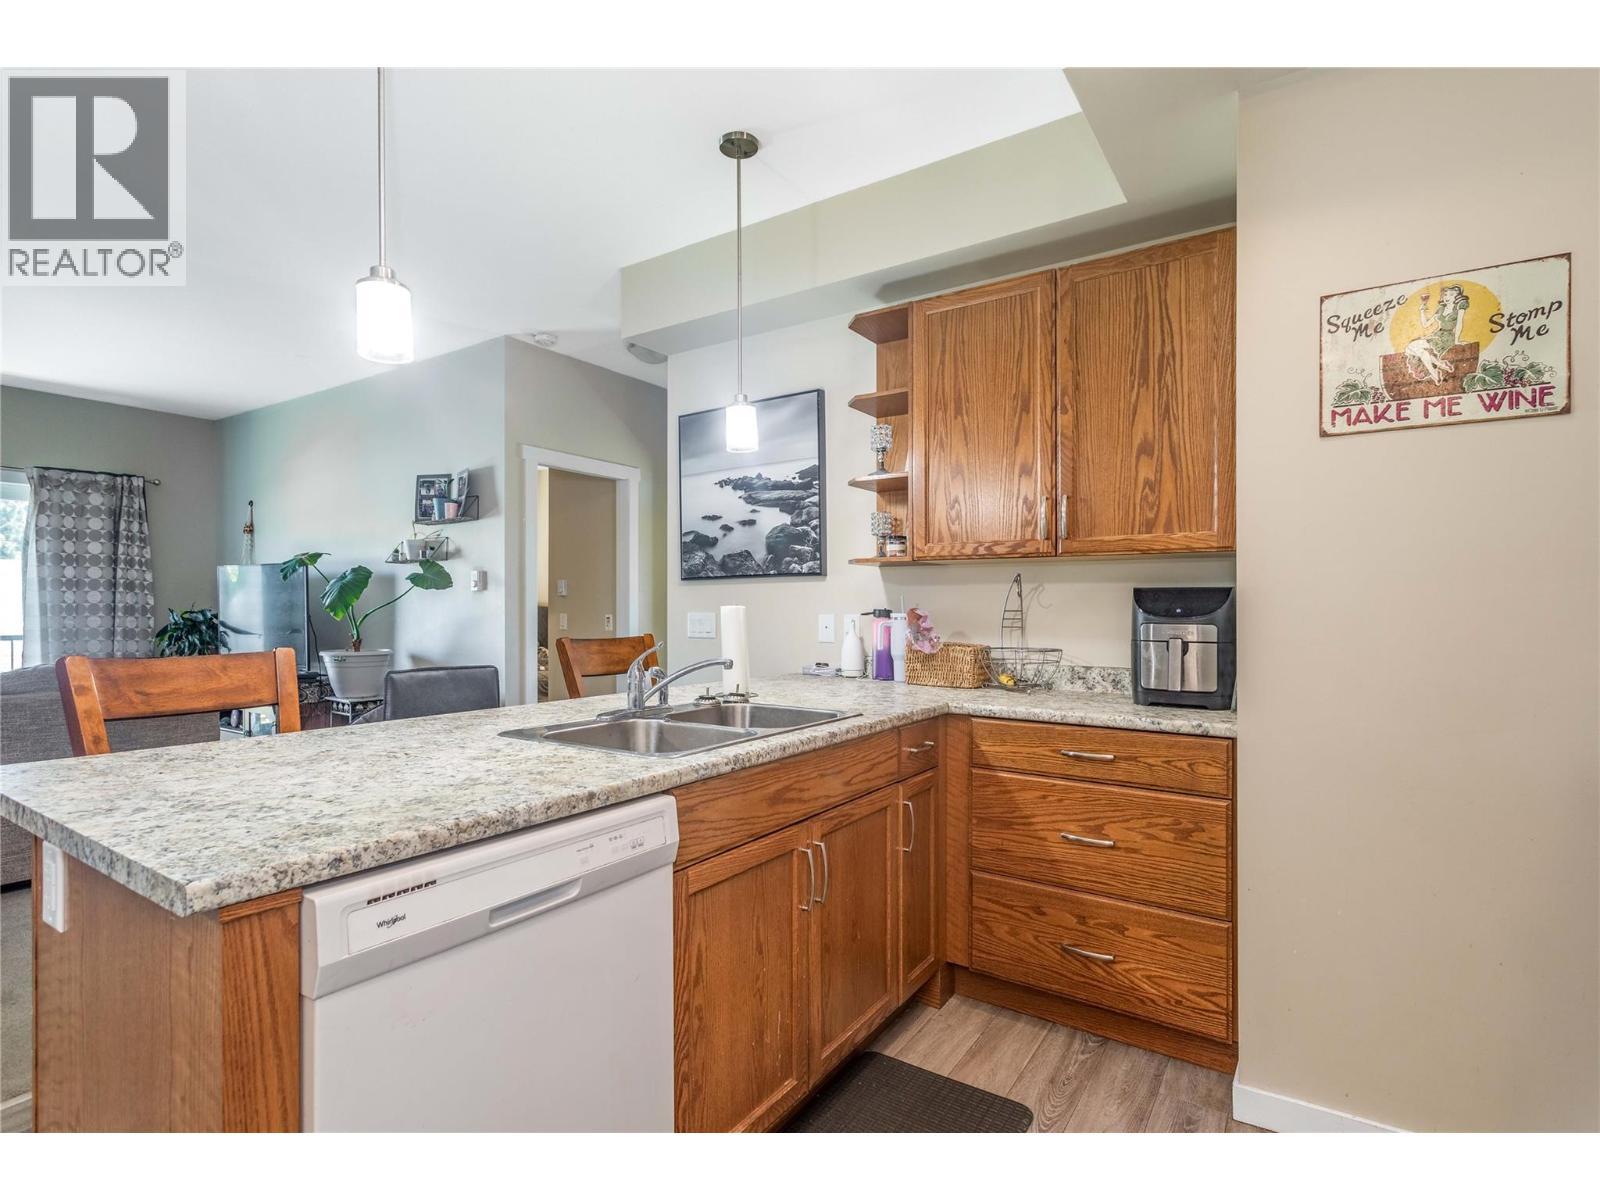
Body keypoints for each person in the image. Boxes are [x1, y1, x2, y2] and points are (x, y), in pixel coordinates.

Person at [1404, 285, 1469, 383]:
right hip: (1437, 334)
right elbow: (1426, 324)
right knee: (1410, 348)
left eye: (1451, 294)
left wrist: (1456, 341)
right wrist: (1422, 311)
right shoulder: (1441, 308)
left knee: (1415, 348)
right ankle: (1439, 366)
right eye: (1446, 294)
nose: (1447, 297)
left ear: (1457, 297)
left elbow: (1459, 323)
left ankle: (1436, 371)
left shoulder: (1460, 307)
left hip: (1447, 337)